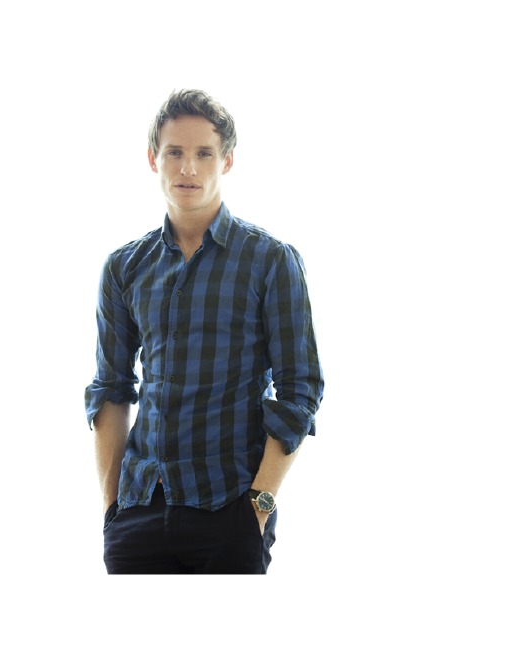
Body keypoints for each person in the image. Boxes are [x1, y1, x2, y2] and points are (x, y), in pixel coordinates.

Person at [84, 89, 324, 574]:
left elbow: (300, 390)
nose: (188, 168)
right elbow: (111, 387)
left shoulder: (271, 261)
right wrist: (112, 510)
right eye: (174, 152)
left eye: (204, 154)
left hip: (230, 508)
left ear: (227, 161)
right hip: (137, 512)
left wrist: (259, 507)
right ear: (153, 159)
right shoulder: (124, 267)